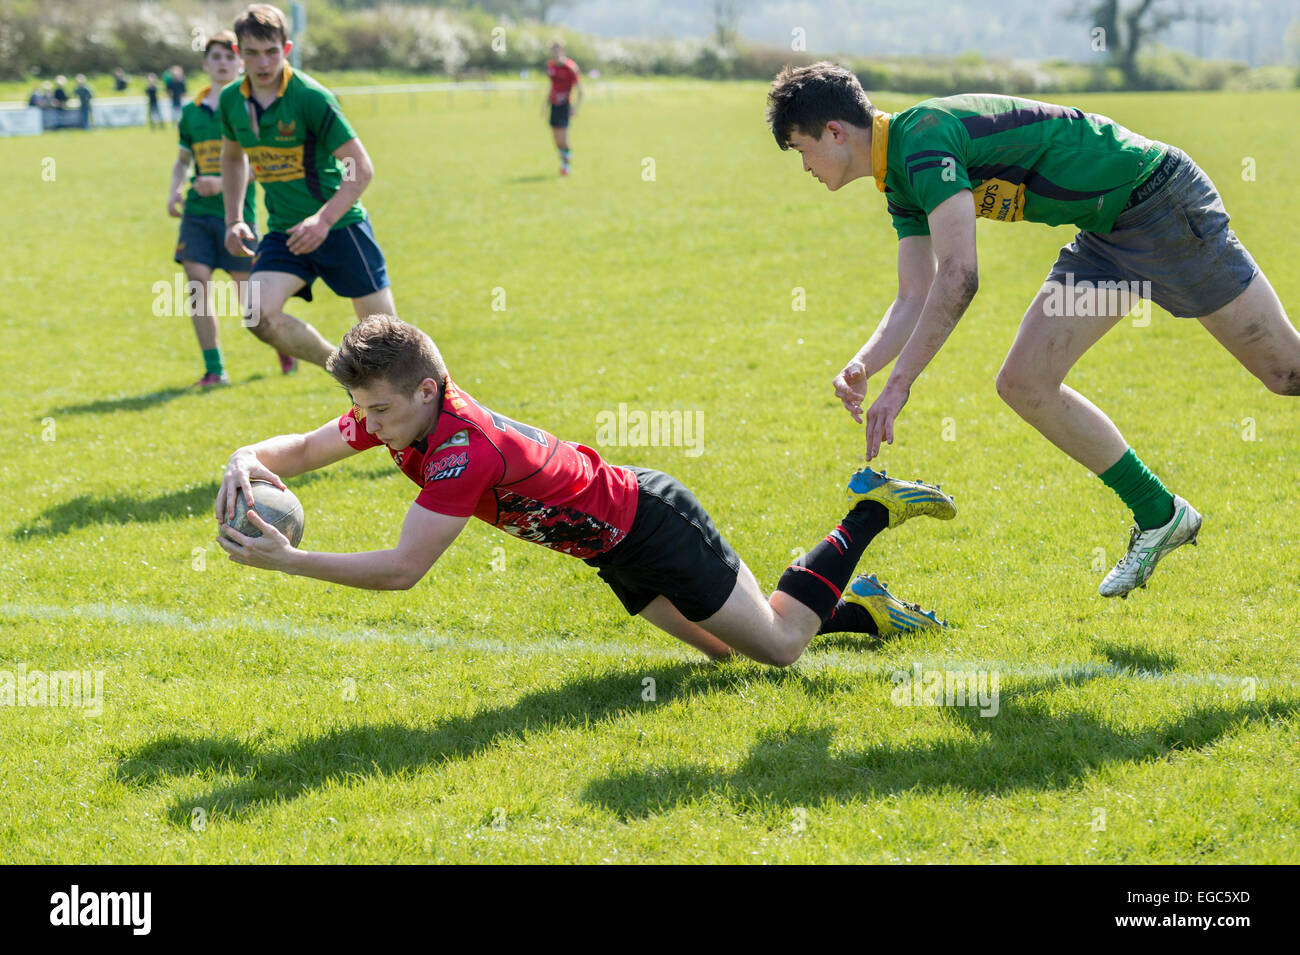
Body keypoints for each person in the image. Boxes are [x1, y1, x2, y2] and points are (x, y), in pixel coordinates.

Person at [766, 62, 1300, 599]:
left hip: (1158, 201)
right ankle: (1161, 515)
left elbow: (960, 277)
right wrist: (865, 364)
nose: (804, 165)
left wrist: (901, 383)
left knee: (1286, 371)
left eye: (800, 148)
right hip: (1106, 234)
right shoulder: (900, 181)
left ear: (835, 131)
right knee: (1024, 381)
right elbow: (914, 294)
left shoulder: (922, 141)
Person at [215, 316, 955, 665]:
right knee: (722, 656)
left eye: (378, 410)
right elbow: (308, 447)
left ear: (428, 390)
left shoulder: (462, 451)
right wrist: (245, 455)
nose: (367, 426)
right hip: (611, 550)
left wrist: (288, 561)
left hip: (654, 522)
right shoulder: (404, 417)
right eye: (364, 410)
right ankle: (868, 613)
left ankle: (869, 509)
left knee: (781, 648)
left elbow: (404, 569)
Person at [219, 3, 397, 371]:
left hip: (341, 225)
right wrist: (234, 218)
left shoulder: (310, 96)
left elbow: (359, 168)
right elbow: (233, 157)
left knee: (387, 345)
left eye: (271, 52)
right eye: (252, 53)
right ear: (239, 54)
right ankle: (343, 369)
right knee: (256, 315)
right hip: (286, 231)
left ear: (286, 49)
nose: (263, 63)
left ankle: (443, 412)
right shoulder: (231, 101)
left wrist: (322, 221)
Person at [168, 31, 264, 389]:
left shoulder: (249, 108)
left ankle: (283, 346)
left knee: (252, 305)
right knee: (197, 286)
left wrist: (221, 184)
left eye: (229, 56)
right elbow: (182, 160)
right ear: (205, 63)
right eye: (216, 57)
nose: (223, 62)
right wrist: (174, 189)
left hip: (237, 215)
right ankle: (215, 369)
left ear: (240, 63)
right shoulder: (191, 112)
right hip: (195, 214)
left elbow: (262, 164)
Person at [544, 40, 581, 176]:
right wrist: (545, 105)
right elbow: (551, 87)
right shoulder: (551, 67)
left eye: (557, 49)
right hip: (553, 106)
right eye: (553, 50)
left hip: (564, 106)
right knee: (556, 140)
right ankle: (565, 158)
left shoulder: (570, 67)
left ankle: (566, 165)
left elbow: (580, 90)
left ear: (563, 51)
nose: (555, 52)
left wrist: (576, 107)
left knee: (563, 139)